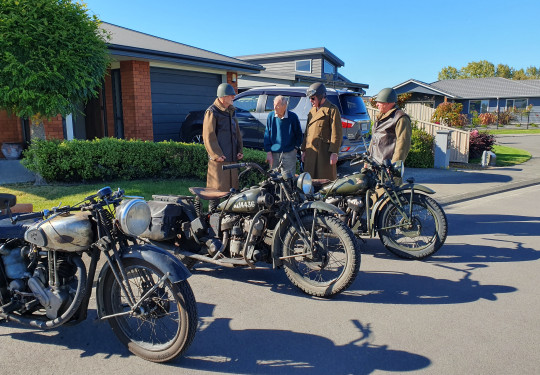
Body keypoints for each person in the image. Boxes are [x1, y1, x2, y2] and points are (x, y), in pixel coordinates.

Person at [202, 83, 244, 191]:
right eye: (231, 95)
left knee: (232, 190)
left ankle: (228, 208)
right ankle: (213, 208)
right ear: (223, 97)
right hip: (220, 160)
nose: (234, 97)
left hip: (232, 159)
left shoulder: (231, 111)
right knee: (216, 189)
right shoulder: (212, 112)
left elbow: (237, 133)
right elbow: (208, 136)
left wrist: (239, 150)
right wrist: (216, 155)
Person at [300, 82, 342, 180]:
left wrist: (334, 153)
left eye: (313, 98)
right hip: (311, 152)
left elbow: (337, 133)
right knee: (309, 182)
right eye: (310, 98)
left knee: (324, 181)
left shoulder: (332, 110)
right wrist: (304, 150)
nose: (311, 101)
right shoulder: (312, 111)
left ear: (321, 96)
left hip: (324, 154)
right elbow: (307, 132)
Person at [369, 87, 412, 164]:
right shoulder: (380, 117)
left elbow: (403, 145)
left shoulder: (400, 118)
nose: (377, 104)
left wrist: (394, 166)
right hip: (374, 165)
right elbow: (373, 140)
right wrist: (368, 162)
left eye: (379, 102)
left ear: (388, 102)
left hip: (387, 168)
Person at [264, 95, 303, 176]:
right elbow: (267, 134)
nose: (274, 108)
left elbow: (299, 134)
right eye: (274, 105)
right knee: (274, 178)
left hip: (289, 152)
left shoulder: (293, 117)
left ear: (284, 106)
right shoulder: (271, 116)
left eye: (277, 105)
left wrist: (295, 148)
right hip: (274, 153)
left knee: (288, 178)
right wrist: (268, 152)